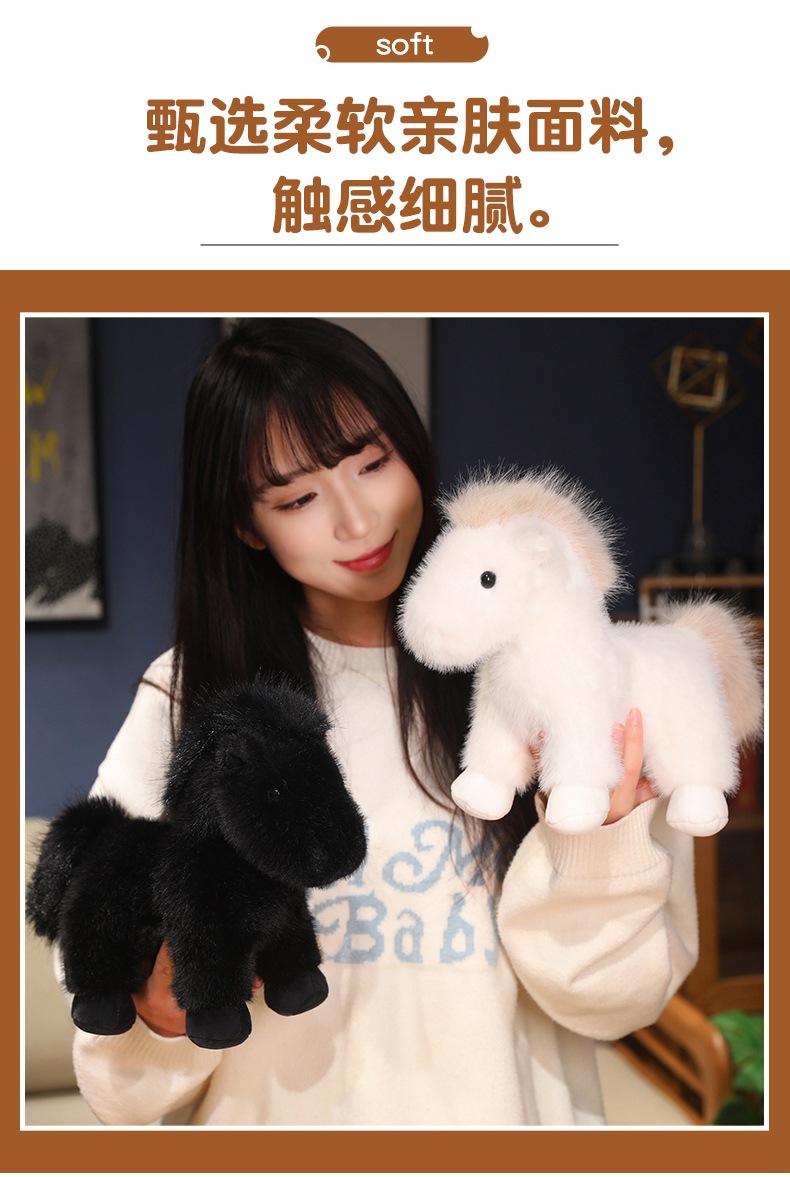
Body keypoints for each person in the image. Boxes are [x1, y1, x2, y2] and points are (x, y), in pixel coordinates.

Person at [71, 318, 697, 1126]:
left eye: (372, 463)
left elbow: (616, 1001)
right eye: (297, 498)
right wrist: (160, 1016)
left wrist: (598, 847)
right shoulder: (187, 702)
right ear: (244, 523)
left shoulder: (552, 666)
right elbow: (118, 1086)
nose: (359, 522)